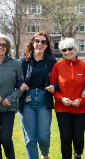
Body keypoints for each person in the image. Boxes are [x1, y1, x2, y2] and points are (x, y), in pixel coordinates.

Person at [49, 38, 85, 159]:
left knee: (79, 139)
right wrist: (61, 99)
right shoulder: (57, 66)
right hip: (62, 108)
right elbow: (53, 88)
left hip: (80, 109)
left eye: (70, 49)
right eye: (64, 50)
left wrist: (81, 100)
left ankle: (77, 154)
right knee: (65, 139)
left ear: (75, 49)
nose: (67, 52)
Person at [16, 31, 58, 159]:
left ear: (47, 45)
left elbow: (59, 80)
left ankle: (44, 155)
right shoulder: (23, 61)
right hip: (27, 101)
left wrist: (54, 86)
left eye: (43, 42)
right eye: (37, 41)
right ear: (33, 43)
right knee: (30, 138)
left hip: (44, 100)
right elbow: (15, 78)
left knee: (44, 136)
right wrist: (20, 84)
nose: (40, 44)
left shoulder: (52, 61)